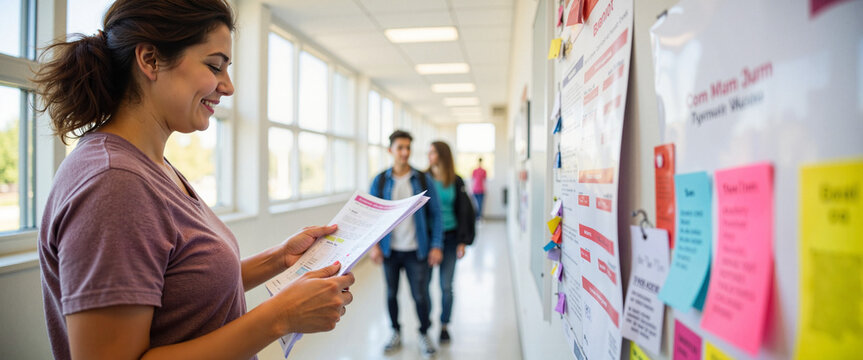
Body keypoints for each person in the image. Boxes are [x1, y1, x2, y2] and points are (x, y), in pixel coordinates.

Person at [34, 1, 353, 359]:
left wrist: (279, 259)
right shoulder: (113, 183)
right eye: (214, 66)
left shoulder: (151, 166)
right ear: (150, 60)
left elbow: (181, 289)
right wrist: (279, 316)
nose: (228, 86)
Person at [369, 130, 443, 357]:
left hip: (416, 250)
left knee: (420, 295)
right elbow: (371, 215)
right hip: (390, 251)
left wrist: (436, 245)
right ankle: (395, 332)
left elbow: (437, 214)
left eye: (408, 147)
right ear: (390, 150)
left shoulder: (422, 179)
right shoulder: (380, 181)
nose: (404, 152)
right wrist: (374, 246)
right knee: (391, 294)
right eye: (400, 147)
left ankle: (424, 333)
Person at [426, 141, 475, 343]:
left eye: (433, 152)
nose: (429, 155)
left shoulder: (456, 180)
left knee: (446, 286)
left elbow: (465, 212)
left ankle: (444, 325)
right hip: (429, 240)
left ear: (442, 155)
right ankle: (425, 323)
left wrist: (463, 241)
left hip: (452, 237)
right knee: (424, 286)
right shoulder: (423, 178)